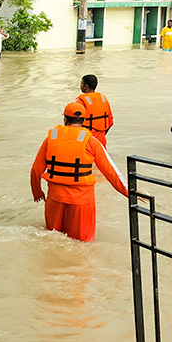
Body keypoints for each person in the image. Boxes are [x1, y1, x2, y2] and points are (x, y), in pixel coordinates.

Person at [30, 102, 129, 242]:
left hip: (55, 199)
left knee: (53, 240)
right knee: (83, 245)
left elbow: (35, 170)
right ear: (83, 121)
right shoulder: (91, 142)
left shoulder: (50, 139)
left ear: (65, 119)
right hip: (81, 202)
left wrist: (37, 191)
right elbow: (111, 172)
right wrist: (130, 193)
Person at [75, 74, 114, 146]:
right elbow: (110, 122)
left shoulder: (81, 101)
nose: (80, 86)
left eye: (81, 84)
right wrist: (101, 133)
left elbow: (74, 123)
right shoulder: (103, 98)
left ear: (86, 86)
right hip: (101, 141)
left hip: (86, 141)